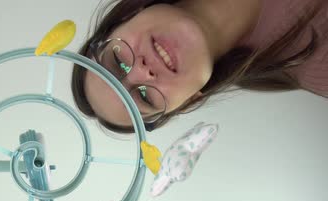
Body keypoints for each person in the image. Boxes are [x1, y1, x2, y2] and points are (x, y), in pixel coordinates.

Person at [71, 0, 327, 133]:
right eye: (145, 96)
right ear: (189, 101)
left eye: (118, 61)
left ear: (124, 18)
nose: (142, 72)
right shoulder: (318, 67)